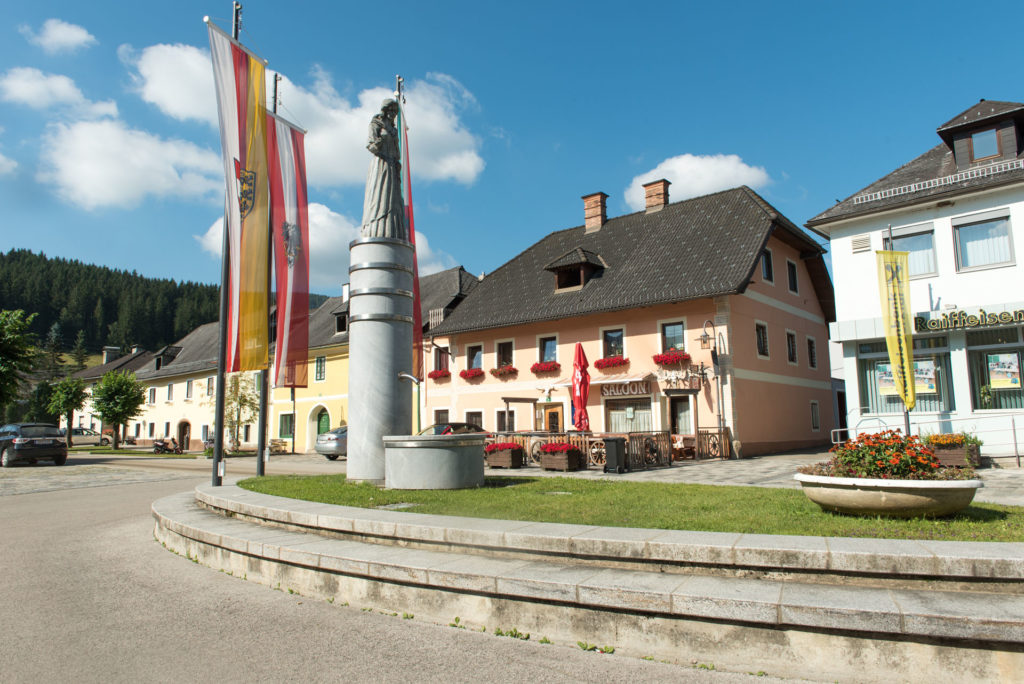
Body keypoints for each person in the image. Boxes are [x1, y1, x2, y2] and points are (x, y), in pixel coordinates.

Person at [360, 99, 407, 240]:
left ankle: (392, 230)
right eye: (391, 110)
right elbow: (371, 145)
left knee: (393, 201)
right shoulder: (376, 124)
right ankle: (375, 227)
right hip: (381, 164)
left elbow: (397, 152)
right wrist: (379, 142)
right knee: (378, 198)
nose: (393, 114)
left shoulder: (394, 130)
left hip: (392, 167)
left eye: (395, 111)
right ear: (385, 110)